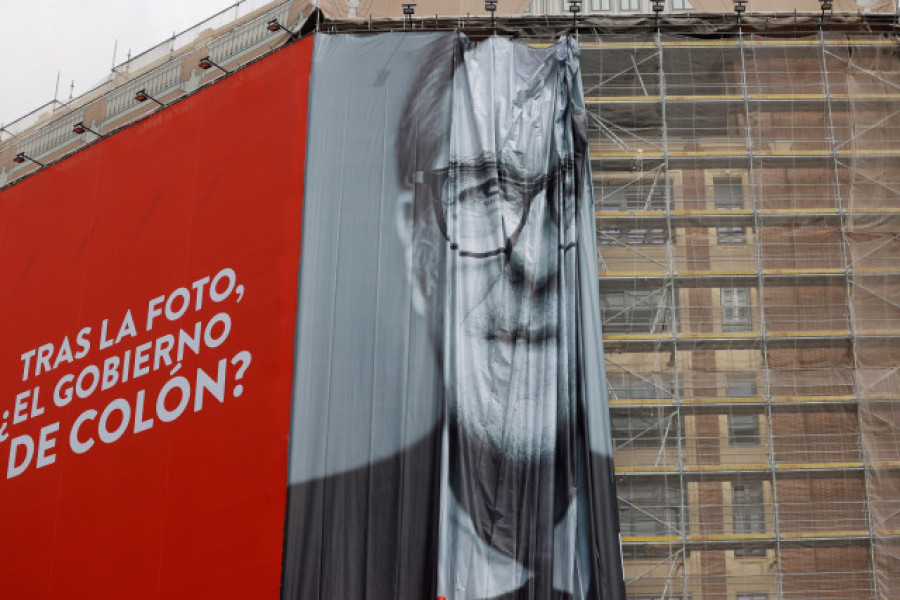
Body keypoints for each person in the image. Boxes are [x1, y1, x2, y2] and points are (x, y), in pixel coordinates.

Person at [282, 32, 623, 600]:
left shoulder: (633, 521)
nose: (532, 263)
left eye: (559, 198)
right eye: (485, 196)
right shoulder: (327, 539)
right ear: (417, 248)